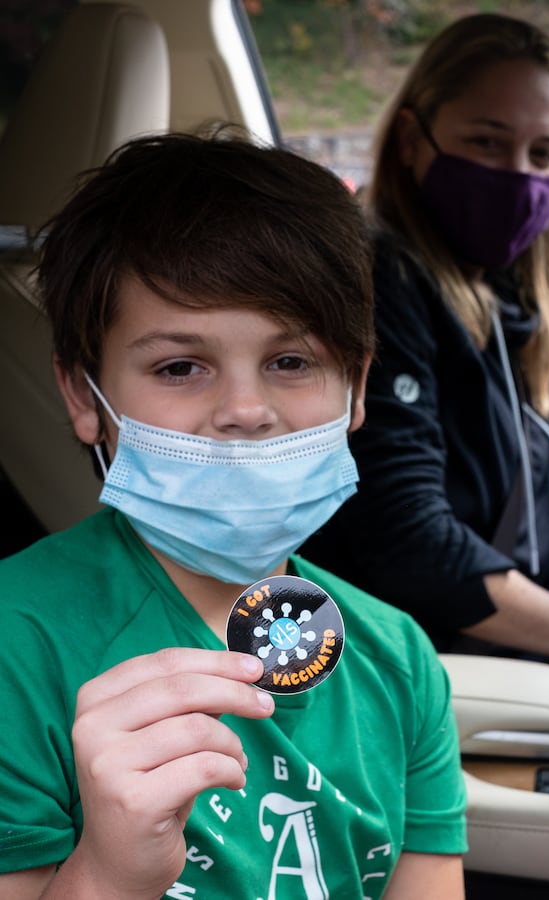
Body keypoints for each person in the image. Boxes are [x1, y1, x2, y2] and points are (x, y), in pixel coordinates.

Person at [0, 131, 467, 899]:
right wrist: (107, 874)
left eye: (291, 361)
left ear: (356, 389)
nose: (246, 411)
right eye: (180, 367)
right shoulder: (17, 646)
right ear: (86, 396)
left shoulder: (401, 661)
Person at [301, 13, 549, 673]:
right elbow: (412, 543)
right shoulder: (379, 281)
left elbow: (492, 490)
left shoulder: (495, 289)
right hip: (428, 646)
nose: (518, 177)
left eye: (543, 155)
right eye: (488, 143)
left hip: (503, 595)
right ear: (413, 138)